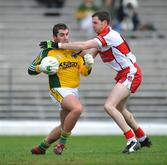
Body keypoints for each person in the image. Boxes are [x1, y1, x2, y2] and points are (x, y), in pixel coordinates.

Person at [39, 11, 152, 154]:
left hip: (130, 73)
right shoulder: (102, 38)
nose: (92, 25)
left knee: (109, 106)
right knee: (120, 109)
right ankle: (142, 137)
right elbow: (87, 56)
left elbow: (85, 45)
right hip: (126, 73)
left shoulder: (109, 36)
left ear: (104, 23)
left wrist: (58, 45)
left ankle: (131, 140)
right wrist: (83, 60)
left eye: (95, 23)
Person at [28, 23, 93, 155]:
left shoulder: (75, 50)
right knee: (78, 109)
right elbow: (30, 69)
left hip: (74, 91)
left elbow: (84, 72)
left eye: (67, 34)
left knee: (64, 126)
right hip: (58, 89)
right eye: (62, 35)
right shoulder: (47, 51)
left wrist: (89, 64)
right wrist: (41, 68)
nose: (65, 37)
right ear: (54, 37)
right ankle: (61, 144)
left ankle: (41, 147)